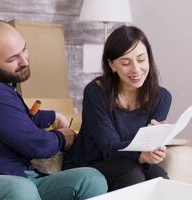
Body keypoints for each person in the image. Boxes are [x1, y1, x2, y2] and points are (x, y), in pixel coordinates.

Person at [0, 19, 107, 200]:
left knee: (91, 179)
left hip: (22, 179)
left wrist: (53, 116)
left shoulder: (2, 87)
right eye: (13, 58)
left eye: (24, 49)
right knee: (20, 190)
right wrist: (63, 137)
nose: (24, 61)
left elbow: (18, 117)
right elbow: (37, 145)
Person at [63, 25, 172, 191]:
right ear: (112, 65)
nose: (136, 69)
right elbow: (109, 147)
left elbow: (149, 143)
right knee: (132, 173)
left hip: (131, 162)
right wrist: (141, 154)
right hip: (89, 164)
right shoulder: (95, 92)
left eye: (141, 60)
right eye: (126, 63)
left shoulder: (161, 97)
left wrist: (154, 149)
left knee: (160, 179)